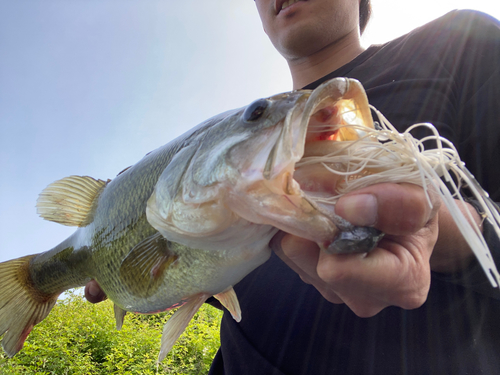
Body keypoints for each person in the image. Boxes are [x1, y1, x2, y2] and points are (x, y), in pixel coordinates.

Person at [86, 1, 500, 373]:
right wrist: (146, 275)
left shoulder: (460, 44)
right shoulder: (226, 148)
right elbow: (219, 277)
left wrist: (449, 234)